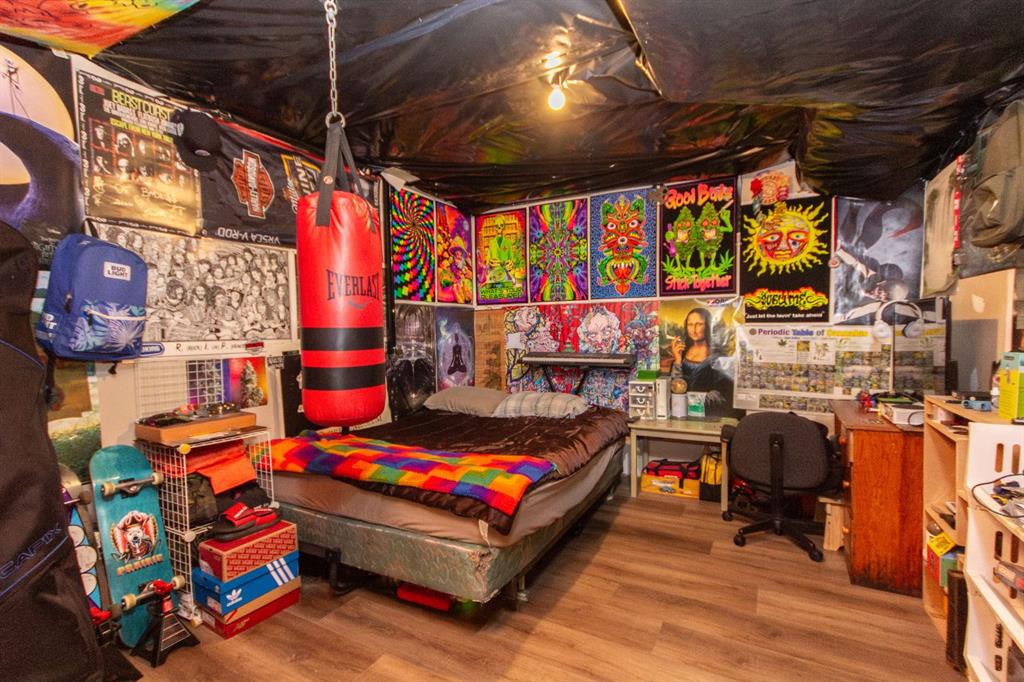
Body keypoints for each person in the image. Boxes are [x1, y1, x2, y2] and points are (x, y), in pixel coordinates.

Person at [669, 307, 734, 414]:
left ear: (708, 325)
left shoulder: (718, 357)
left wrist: (690, 401)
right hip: (680, 411)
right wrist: (678, 361)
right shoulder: (681, 354)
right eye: (690, 324)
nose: (693, 329)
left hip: (708, 414)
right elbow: (674, 387)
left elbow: (722, 394)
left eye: (699, 324)